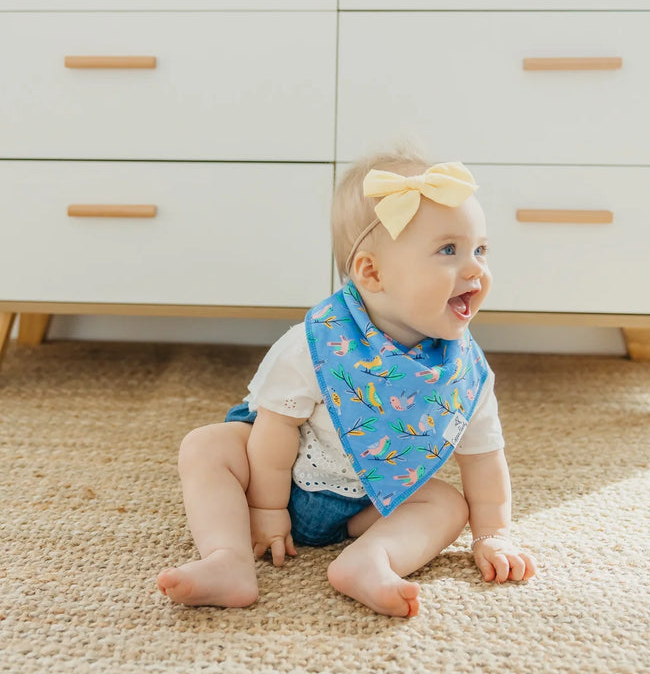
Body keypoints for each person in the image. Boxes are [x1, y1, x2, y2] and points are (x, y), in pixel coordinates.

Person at [157, 149, 537, 617]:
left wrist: (493, 534)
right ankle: (227, 559)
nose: (476, 268)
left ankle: (370, 560)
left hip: (368, 502)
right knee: (207, 446)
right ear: (372, 272)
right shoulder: (316, 344)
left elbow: (483, 459)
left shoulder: (463, 373)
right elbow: (274, 431)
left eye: (480, 249)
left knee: (448, 504)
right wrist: (267, 511)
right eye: (448, 250)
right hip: (279, 475)